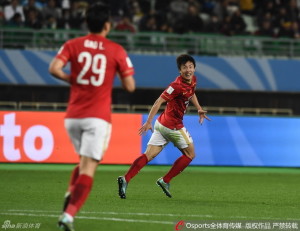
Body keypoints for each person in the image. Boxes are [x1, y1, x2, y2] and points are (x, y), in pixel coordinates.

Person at [48, 2, 135, 231]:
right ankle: (68, 216)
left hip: (73, 117)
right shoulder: (116, 49)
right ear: (108, 25)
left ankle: (71, 192)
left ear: (87, 23)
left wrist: (72, 79)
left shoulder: (72, 44)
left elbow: (54, 68)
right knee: (89, 168)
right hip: (97, 117)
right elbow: (130, 86)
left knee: (83, 161)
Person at [118, 54, 210, 199]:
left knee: (148, 155)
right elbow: (158, 102)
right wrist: (148, 121)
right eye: (184, 67)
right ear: (179, 70)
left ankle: (125, 179)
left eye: (190, 67)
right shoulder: (175, 86)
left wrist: (198, 108)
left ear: (194, 68)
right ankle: (165, 180)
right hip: (173, 126)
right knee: (190, 154)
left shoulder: (193, 80)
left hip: (161, 124)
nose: (188, 70)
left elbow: (191, 94)